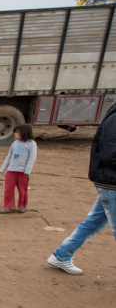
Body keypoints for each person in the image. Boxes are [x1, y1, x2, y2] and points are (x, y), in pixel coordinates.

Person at [47, 103, 116, 275]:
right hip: (110, 183)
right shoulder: (114, 121)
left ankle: (62, 255)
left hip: (109, 182)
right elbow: (110, 154)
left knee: (94, 222)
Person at [0, 124, 37, 213]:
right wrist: (2, 169)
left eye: (17, 132)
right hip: (11, 171)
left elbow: (32, 158)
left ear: (24, 133)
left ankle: (22, 206)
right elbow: (9, 156)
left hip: (22, 172)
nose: (15, 134)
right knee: (8, 190)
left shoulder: (32, 144)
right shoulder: (14, 144)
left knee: (22, 190)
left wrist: (27, 170)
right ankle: (9, 207)